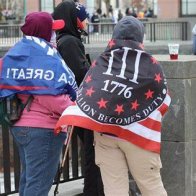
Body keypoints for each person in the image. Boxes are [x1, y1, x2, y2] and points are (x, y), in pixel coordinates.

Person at [55, 16, 171, 196]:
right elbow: (163, 100)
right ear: (140, 37)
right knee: (151, 187)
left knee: (114, 190)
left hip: (105, 134)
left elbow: (87, 92)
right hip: (138, 137)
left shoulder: (102, 61)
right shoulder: (150, 65)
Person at [0, 12, 77, 196]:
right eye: (51, 29)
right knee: (38, 186)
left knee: (29, 181)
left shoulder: (18, 52)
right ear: (42, 30)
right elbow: (48, 94)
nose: (54, 33)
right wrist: (75, 107)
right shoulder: (42, 58)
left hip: (20, 125)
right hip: (43, 129)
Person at [52, 1, 104, 196]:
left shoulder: (64, 39)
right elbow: (80, 73)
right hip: (82, 103)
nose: (85, 22)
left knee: (92, 148)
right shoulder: (70, 42)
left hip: (76, 103)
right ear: (73, 20)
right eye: (82, 19)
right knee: (92, 149)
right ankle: (93, 190)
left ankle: (93, 188)